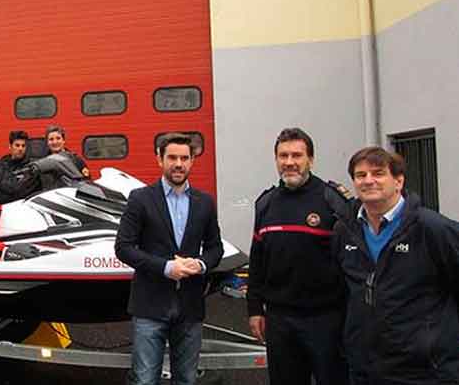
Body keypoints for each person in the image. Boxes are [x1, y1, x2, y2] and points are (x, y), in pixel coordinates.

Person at [335, 147, 459, 385]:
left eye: (378, 173)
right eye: (361, 175)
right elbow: (343, 291)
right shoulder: (345, 231)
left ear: (398, 181)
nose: (369, 180)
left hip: (424, 371)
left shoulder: (431, 228)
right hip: (366, 369)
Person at [115, 134, 223, 385]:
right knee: (144, 379)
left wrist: (201, 264)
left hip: (190, 307)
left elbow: (215, 248)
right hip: (149, 307)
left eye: (185, 158)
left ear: (192, 161)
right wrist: (165, 267)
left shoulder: (205, 202)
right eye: (172, 157)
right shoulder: (140, 199)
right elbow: (123, 247)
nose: (178, 164)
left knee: (186, 379)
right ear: (159, 160)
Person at [246, 128, 350, 385]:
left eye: (297, 155)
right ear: (276, 159)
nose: (289, 162)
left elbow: (350, 261)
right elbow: (258, 260)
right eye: (283, 156)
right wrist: (255, 309)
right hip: (280, 320)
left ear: (310, 160)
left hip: (326, 318)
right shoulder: (266, 203)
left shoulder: (332, 201)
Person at [0, 130, 41, 204]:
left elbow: (29, 195)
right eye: (17, 145)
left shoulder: (31, 168)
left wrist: (6, 190)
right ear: (10, 146)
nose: (20, 149)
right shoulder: (1, 166)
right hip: (6, 210)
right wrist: (15, 193)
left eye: (23, 146)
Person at [39, 125, 90, 190]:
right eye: (51, 139)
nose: (55, 142)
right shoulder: (42, 164)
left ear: (63, 140)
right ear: (47, 143)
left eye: (58, 138)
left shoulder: (76, 160)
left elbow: (87, 182)